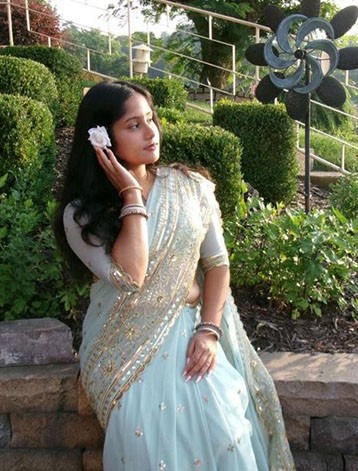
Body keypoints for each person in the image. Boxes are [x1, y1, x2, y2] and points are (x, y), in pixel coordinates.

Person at [53, 80, 295, 470]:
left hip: (189, 333)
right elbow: (131, 275)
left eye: (151, 119)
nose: (151, 132)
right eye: (133, 125)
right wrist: (131, 195)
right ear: (102, 139)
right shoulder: (81, 215)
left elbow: (217, 264)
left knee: (223, 425)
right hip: (122, 349)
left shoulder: (190, 188)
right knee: (147, 443)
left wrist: (209, 330)